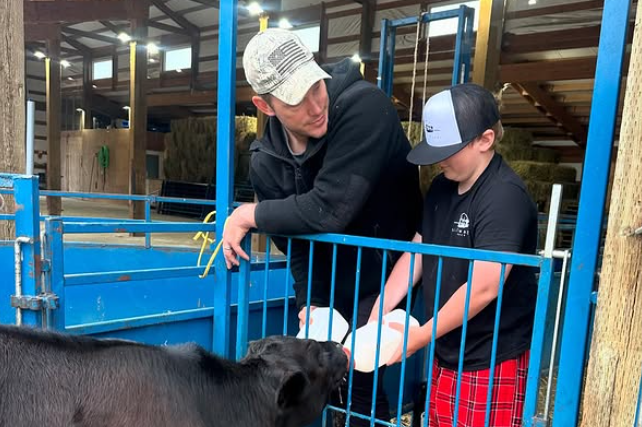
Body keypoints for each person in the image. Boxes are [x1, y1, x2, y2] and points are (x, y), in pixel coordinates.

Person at [221, 28, 423, 426]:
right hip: (330, 280)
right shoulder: (266, 161)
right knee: (328, 380)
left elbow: (329, 209)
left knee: (359, 376)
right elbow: (296, 244)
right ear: (265, 105)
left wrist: (248, 215)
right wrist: (308, 301)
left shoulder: (366, 109)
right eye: (298, 99)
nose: (316, 105)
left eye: (317, 86)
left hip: (388, 270)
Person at [370, 83, 538, 427]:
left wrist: (420, 336)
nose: (439, 159)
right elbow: (418, 251)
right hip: (449, 345)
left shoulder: (504, 197)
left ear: (485, 140)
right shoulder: (441, 187)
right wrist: (381, 306)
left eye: (448, 149)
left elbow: (484, 287)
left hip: (491, 354)